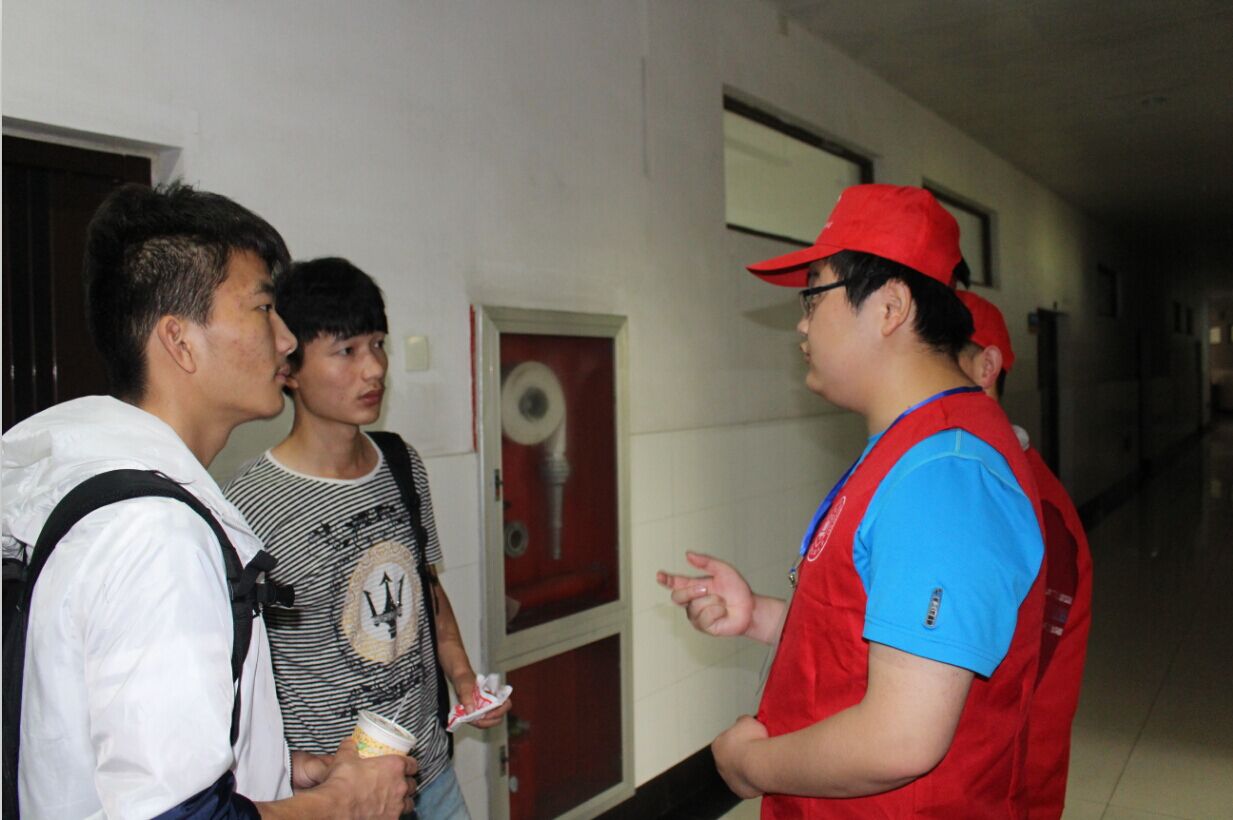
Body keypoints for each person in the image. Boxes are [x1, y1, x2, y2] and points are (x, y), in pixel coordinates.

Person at [1, 183, 416, 819]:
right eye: (263, 309)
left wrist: (274, 767)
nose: (286, 339)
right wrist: (346, 803)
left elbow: (120, 762)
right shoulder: (153, 535)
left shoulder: (102, 493)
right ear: (180, 341)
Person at [658, 184, 1048, 816]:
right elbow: (880, 641)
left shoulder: (944, 477)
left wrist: (747, 767)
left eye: (814, 295)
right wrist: (759, 616)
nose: (802, 323)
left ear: (890, 306)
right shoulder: (914, 448)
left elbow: (901, 740)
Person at [224, 257, 510, 820]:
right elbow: (236, 666)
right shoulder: (249, 503)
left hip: (429, 772)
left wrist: (463, 680)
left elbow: (426, 589)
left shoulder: (400, 462)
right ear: (290, 368)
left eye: (378, 344)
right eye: (347, 351)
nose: (374, 368)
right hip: (341, 792)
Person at [955, 288, 1093, 819]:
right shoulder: (955, 480)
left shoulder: (1037, 509)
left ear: (986, 367)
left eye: (935, 357)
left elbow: (1020, 683)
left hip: (1003, 790)